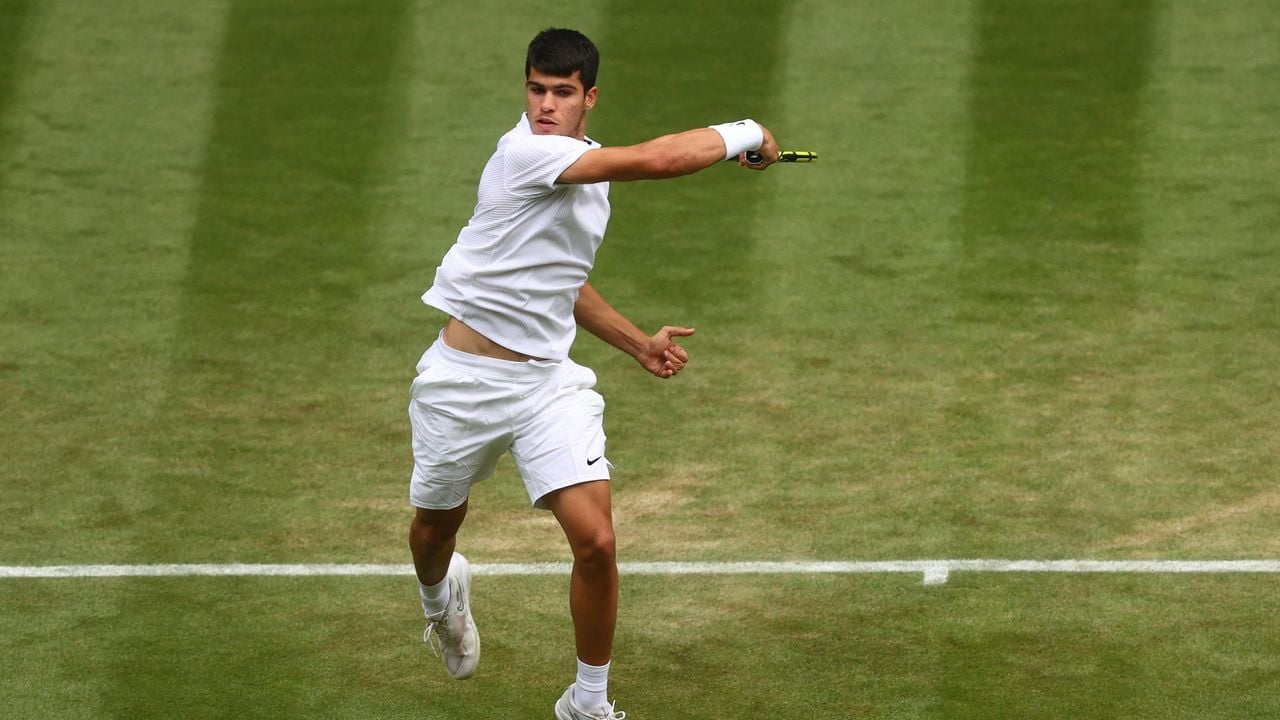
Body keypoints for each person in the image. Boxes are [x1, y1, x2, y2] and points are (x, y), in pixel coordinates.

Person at [407, 27, 779, 720]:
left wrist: (636, 343)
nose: (546, 105)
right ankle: (439, 597)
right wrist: (748, 132)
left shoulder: (584, 171)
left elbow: (562, 282)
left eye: (562, 92)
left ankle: (587, 702)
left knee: (598, 542)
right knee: (433, 532)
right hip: (462, 382)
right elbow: (659, 160)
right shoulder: (525, 153)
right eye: (536, 90)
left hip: (547, 385)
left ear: (590, 98)